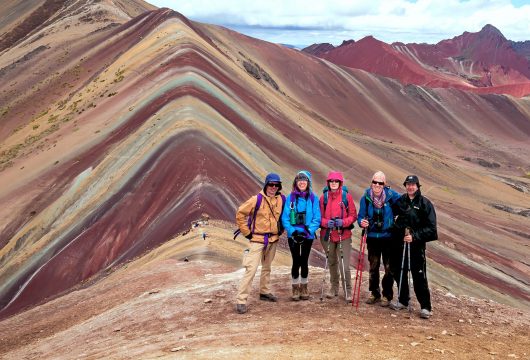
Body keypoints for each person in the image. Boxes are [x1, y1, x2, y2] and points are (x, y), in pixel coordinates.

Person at [235, 173, 285, 314]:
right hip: (257, 239)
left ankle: (264, 292)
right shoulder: (255, 199)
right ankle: (241, 300)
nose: (273, 187)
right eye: (271, 184)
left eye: (276, 185)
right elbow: (240, 213)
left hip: (273, 239)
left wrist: (281, 230)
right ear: (266, 184)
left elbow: (285, 216)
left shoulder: (281, 199)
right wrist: (247, 233)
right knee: (251, 269)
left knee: (267, 267)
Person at [390, 175, 438, 319]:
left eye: (413, 184)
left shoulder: (425, 204)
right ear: (405, 186)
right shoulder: (400, 201)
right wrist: (397, 228)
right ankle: (403, 300)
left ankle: (425, 306)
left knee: (419, 276)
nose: (410, 187)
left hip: (416, 246)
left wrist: (415, 236)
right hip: (400, 243)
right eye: (408, 184)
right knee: (399, 271)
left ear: (417, 186)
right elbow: (393, 218)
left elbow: (431, 229)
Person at [357, 171, 400, 307]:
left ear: (384, 184)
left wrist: (398, 221)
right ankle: (374, 293)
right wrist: (361, 222)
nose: (377, 185)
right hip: (372, 237)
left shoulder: (392, 197)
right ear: (371, 182)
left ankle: (387, 295)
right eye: (375, 182)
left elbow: (403, 207)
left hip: (388, 237)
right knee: (373, 266)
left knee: (389, 268)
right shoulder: (366, 198)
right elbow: (360, 216)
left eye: (380, 183)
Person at [281, 170, 321, 301]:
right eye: (299, 179)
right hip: (293, 235)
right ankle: (295, 288)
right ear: (296, 182)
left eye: (304, 180)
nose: (302, 182)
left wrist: (308, 231)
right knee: (296, 261)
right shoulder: (290, 198)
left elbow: (317, 218)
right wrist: (293, 231)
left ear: (308, 182)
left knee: (304, 260)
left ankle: (304, 287)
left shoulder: (313, 198)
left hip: (307, 235)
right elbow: (285, 218)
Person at [319, 171, 358, 302]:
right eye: (331, 181)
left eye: (336, 181)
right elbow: (317, 217)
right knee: (332, 262)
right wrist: (326, 223)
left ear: (340, 183)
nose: (334, 183)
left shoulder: (347, 197)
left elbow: (353, 215)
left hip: (343, 234)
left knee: (344, 264)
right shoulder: (323, 198)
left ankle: (348, 290)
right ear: (328, 183)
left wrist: (343, 222)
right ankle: (334, 288)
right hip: (328, 235)